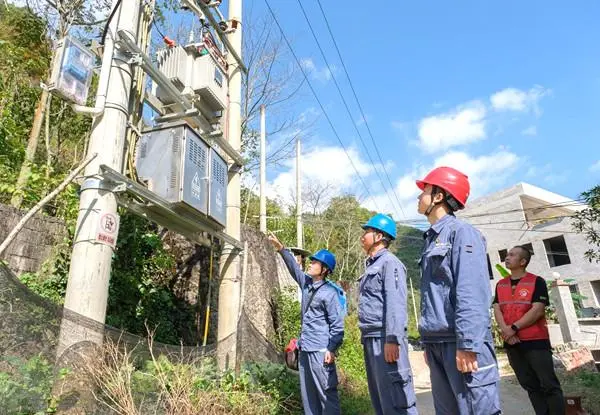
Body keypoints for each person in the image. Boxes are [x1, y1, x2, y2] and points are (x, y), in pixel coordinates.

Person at [415, 166, 501, 415]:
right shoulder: (431, 240)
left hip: (460, 342)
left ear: (438, 196)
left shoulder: (463, 234)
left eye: (424, 191)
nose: (419, 197)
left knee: (475, 410)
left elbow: (472, 292)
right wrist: (429, 343)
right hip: (438, 343)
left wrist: (468, 343)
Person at [268, 233, 344, 415]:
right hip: (305, 351)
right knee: (308, 397)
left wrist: (332, 349)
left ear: (324, 269)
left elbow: (337, 326)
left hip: (320, 352)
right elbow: (294, 268)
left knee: (326, 394)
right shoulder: (307, 284)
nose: (310, 264)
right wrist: (281, 249)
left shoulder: (330, 293)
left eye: (314, 262)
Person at [493, 245, 565, 415]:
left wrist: (514, 328)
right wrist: (506, 331)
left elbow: (537, 310)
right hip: (512, 343)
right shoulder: (500, 284)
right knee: (530, 385)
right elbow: (497, 309)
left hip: (535, 341)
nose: (507, 257)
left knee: (549, 384)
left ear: (523, 261)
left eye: (512, 255)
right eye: (507, 255)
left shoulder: (536, 281)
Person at [358, 213, 418, 414]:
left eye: (367, 232)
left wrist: (392, 338)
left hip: (385, 338)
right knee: (381, 399)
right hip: (371, 338)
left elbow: (395, 303)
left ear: (379, 236)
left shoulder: (389, 263)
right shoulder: (371, 266)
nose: (363, 236)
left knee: (397, 398)